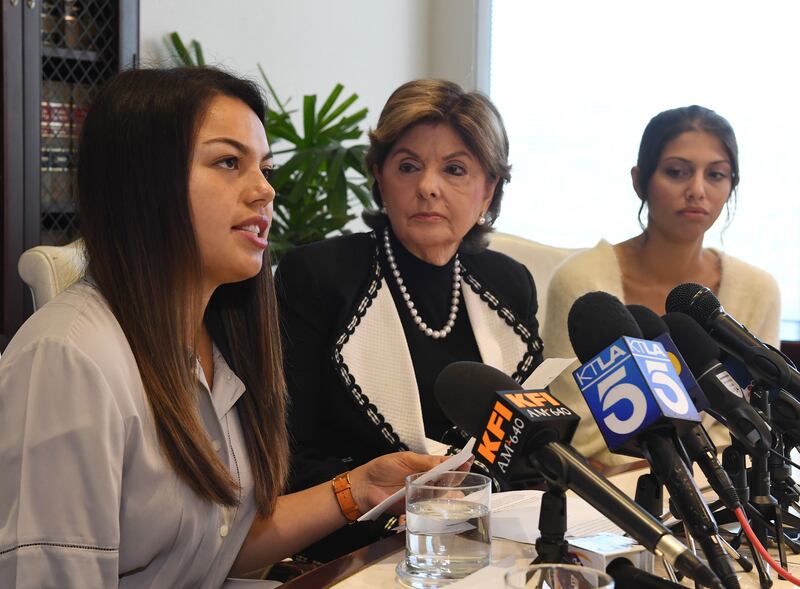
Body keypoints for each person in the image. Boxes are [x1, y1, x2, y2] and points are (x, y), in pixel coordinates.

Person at [0, 67, 448, 588]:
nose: (264, 191)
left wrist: (360, 487)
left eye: (264, 167)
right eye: (228, 162)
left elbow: (216, 550)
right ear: (141, 183)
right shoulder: (67, 356)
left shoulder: (217, 340)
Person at [275, 79, 543, 560]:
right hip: (357, 550)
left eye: (455, 169)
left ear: (488, 192)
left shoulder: (509, 284)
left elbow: (527, 451)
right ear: (380, 177)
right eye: (408, 166)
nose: (427, 187)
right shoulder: (319, 276)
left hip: (491, 545)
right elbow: (289, 458)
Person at [543, 105, 781, 465]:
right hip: (612, 490)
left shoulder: (757, 289)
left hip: (728, 492)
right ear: (640, 180)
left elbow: (755, 419)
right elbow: (579, 428)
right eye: (677, 172)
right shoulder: (582, 280)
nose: (697, 190)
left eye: (716, 175)